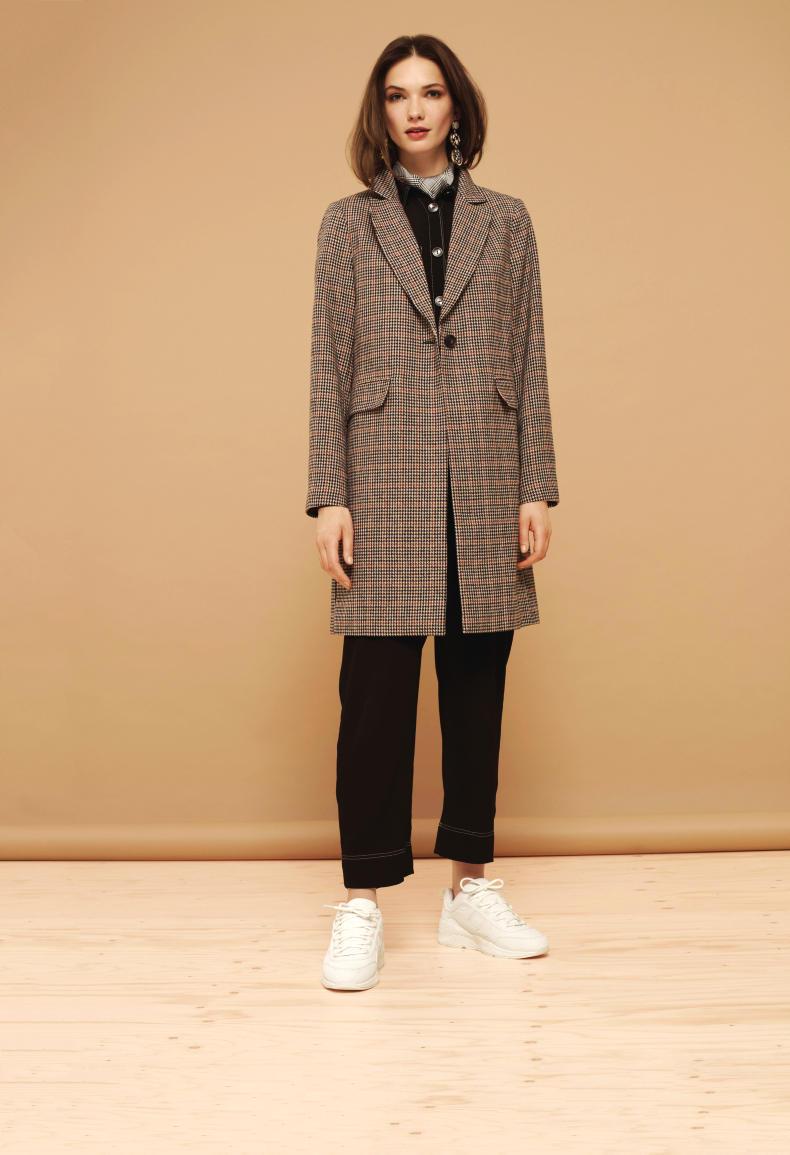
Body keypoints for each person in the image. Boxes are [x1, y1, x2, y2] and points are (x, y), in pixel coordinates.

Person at [306, 35, 560, 991]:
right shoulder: (347, 225)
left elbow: (529, 355)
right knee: (373, 701)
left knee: (476, 689)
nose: (415, 109)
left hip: (487, 473)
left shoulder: (509, 220)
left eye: (432, 92)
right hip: (382, 474)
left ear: (457, 107)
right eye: (397, 95)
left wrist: (536, 482)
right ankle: (362, 902)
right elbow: (328, 361)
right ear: (380, 112)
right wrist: (329, 493)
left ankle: (470, 891)